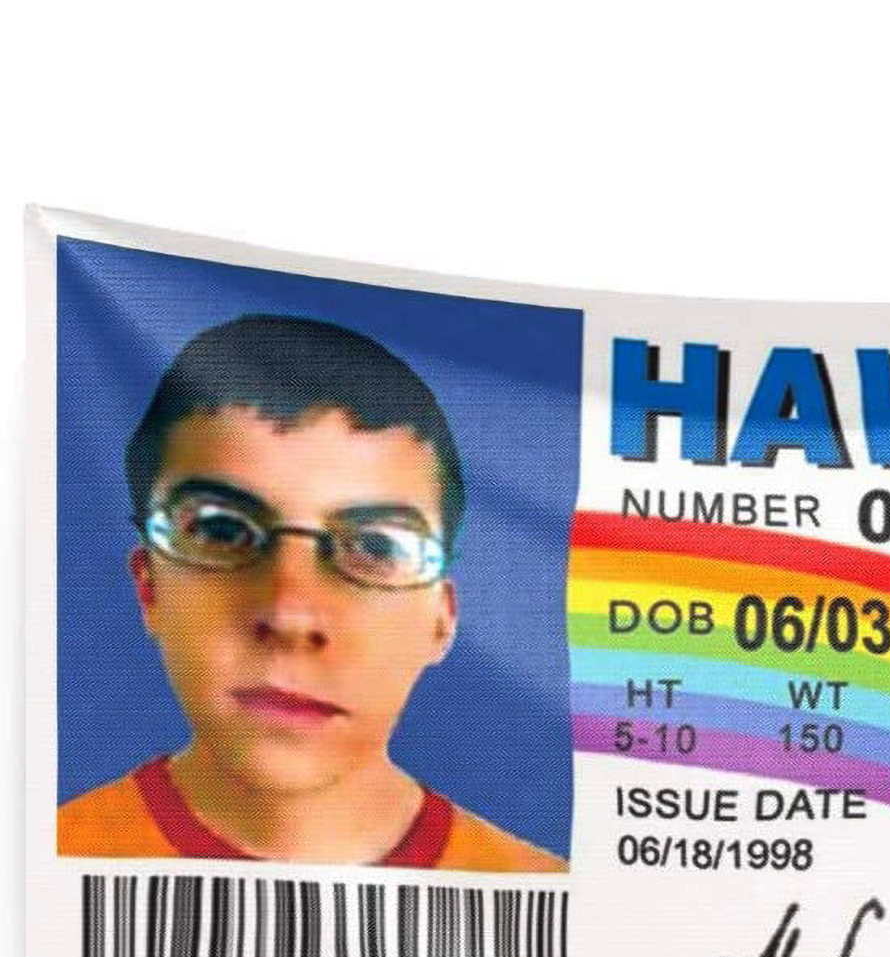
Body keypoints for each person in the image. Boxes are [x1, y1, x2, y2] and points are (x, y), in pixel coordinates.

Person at [58, 314, 566, 871]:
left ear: (440, 622)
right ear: (149, 586)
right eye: (222, 530)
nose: (290, 616)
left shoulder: (543, 889)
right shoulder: (41, 867)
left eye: (375, 546)